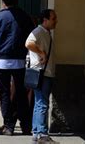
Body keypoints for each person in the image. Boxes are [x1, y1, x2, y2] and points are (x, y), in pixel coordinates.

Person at [0, 0, 35, 136]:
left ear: (3, 3)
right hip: (20, 60)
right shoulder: (25, 16)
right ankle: (25, 125)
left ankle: (9, 125)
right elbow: (32, 35)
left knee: (5, 93)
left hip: (2, 60)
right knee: (20, 93)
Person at [25, 9, 58, 144]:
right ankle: (42, 134)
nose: (56, 21)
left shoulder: (46, 33)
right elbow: (28, 43)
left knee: (39, 103)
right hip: (42, 73)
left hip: (44, 72)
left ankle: (37, 132)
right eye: (53, 18)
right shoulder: (38, 32)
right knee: (42, 103)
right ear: (45, 19)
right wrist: (41, 53)